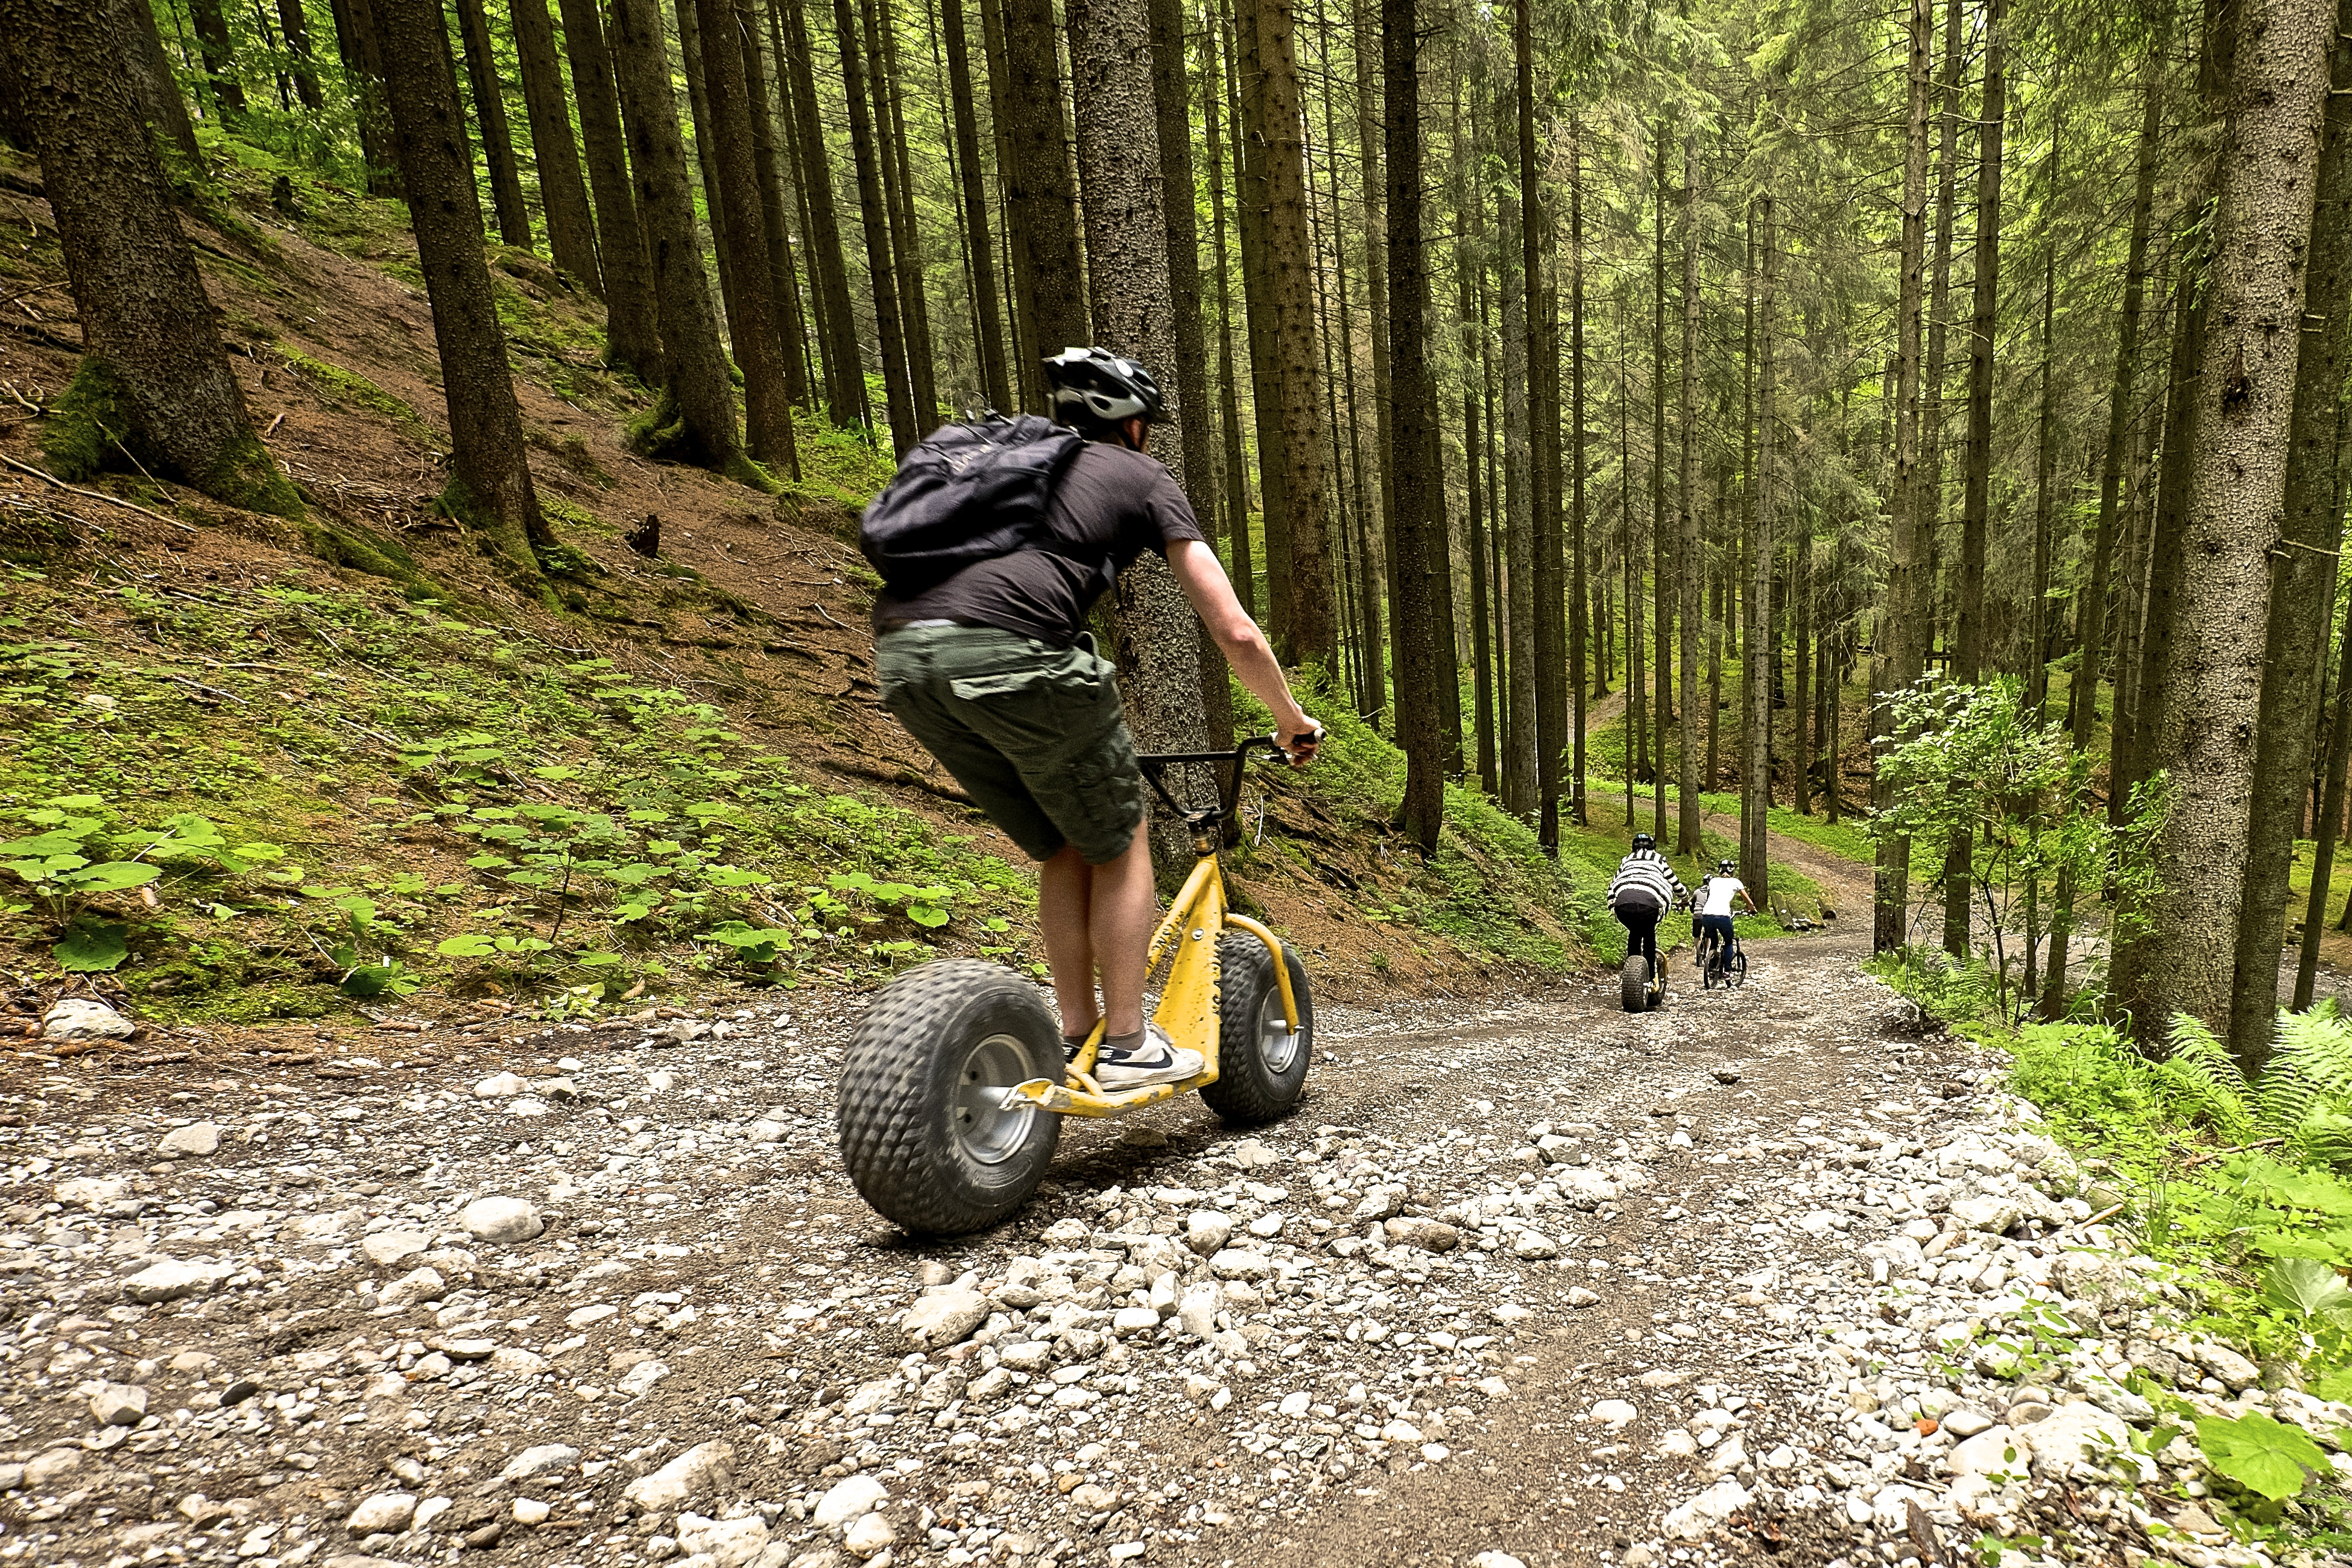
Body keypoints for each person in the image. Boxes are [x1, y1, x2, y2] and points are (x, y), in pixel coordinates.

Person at [871, 347, 1322, 1090]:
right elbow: (1234, 628)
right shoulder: (1139, 474)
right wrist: (1290, 719)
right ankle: (1127, 1043)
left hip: (906, 660)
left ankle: (1075, 1033)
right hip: (1016, 653)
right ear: (1135, 423)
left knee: (1064, 842)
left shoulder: (1010, 468)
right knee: (1122, 838)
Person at [1607, 832, 1688, 982]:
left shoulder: (1626, 860)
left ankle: (1631, 975)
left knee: (1634, 932)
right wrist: (1684, 898)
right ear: (1653, 847)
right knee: (1649, 935)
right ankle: (1650, 977)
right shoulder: (1659, 859)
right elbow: (1675, 883)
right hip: (1649, 904)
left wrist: (1613, 906)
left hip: (1623, 904)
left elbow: (1614, 883)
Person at [1696, 857, 1758, 970]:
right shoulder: (1735, 882)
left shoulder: (1713, 881)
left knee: (1714, 942)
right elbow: (1746, 898)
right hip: (1723, 916)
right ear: (1732, 870)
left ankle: (1712, 966)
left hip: (1707, 915)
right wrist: (1752, 908)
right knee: (1729, 942)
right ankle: (1727, 970)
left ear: (1720, 870)